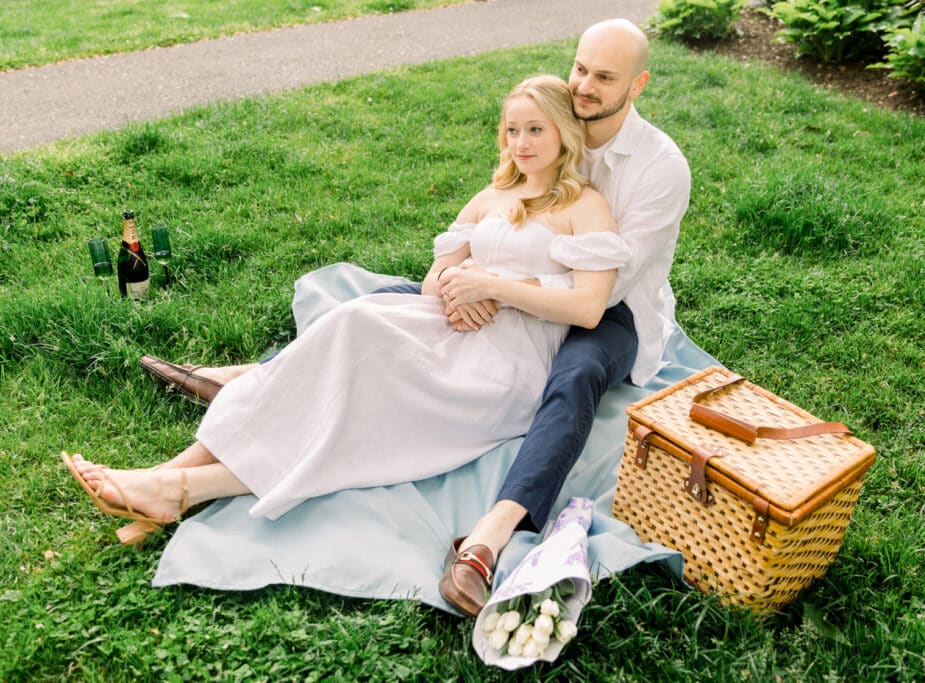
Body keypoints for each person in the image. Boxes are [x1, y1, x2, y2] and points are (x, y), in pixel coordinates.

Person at [138, 18, 691, 616]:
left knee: (574, 377)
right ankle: (251, 377)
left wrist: (495, 288)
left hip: (611, 312)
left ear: (637, 86)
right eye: (579, 68)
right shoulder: (547, 130)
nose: (584, 85)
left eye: (603, 77)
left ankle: (489, 537)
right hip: (516, 287)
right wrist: (462, 287)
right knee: (384, 306)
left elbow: (602, 293)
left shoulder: (659, 168)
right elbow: (488, 231)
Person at [61, 76, 629, 593]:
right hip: (447, 327)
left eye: (536, 129)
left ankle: (176, 488)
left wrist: (496, 288)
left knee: (354, 397)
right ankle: (170, 478)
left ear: (563, 133)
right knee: (350, 323)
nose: (522, 141)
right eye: (512, 130)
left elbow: (587, 307)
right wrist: (458, 289)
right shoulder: (489, 199)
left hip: (506, 362)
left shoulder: (584, 206)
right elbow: (434, 280)